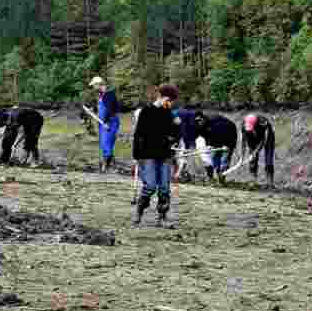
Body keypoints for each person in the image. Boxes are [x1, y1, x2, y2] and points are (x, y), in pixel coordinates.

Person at [131, 84, 181, 226]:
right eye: (170, 101)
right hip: (147, 155)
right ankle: (139, 211)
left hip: (165, 155)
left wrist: (176, 129)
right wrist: (136, 156)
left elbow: (175, 135)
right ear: (164, 97)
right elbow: (138, 135)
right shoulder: (146, 112)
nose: (171, 104)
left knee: (164, 188)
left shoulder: (169, 113)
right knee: (151, 186)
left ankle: (162, 217)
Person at [193, 110, 239, 185]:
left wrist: (228, 145)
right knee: (215, 158)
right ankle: (218, 175)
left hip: (229, 137)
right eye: (197, 121)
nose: (199, 122)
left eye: (200, 120)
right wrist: (209, 145)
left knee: (224, 160)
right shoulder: (199, 126)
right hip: (217, 140)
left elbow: (224, 134)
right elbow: (205, 136)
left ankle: (221, 179)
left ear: (203, 119)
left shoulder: (217, 123)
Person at [89, 76, 121, 172]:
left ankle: (108, 166)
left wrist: (106, 122)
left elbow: (109, 109)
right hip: (102, 122)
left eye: (94, 86)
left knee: (107, 144)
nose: (93, 88)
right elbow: (101, 109)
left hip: (110, 122)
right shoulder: (101, 95)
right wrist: (93, 109)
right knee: (104, 145)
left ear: (99, 84)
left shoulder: (109, 95)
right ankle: (108, 165)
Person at [241, 113, 277, 187]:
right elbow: (243, 141)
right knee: (252, 159)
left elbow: (264, 141)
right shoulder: (243, 125)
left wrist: (256, 151)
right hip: (253, 137)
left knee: (268, 158)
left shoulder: (263, 123)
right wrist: (242, 156)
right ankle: (253, 180)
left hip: (268, 137)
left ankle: (270, 182)